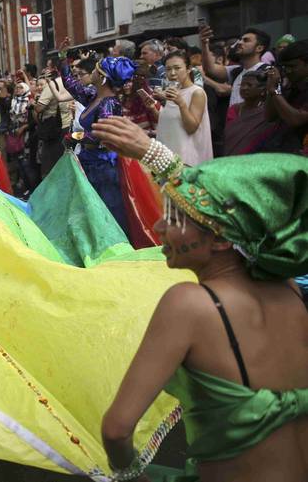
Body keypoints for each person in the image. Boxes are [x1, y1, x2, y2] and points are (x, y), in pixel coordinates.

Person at [92, 116, 308, 482]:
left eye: (175, 217)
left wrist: (130, 475)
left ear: (223, 240)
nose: (159, 226)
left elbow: (116, 429)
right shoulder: (289, 290)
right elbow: (229, 202)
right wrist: (154, 154)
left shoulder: (190, 304)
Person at [58, 37, 135, 236]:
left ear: (101, 77)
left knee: (107, 208)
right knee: (90, 209)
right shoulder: (94, 96)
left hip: (103, 166)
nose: (90, 72)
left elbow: (103, 135)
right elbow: (70, 84)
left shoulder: (108, 103)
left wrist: (75, 136)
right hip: (89, 161)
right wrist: (63, 57)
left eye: (95, 70)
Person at [154, 50, 213, 166]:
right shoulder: (173, 91)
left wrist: (181, 103)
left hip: (187, 159)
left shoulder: (197, 93)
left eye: (177, 68)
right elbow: (169, 122)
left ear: (188, 69)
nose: (172, 73)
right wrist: (152, 107)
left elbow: (191, 128)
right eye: (168, 69)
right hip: (168, 156)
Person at [201, 25, 271, 107]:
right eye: (240, 40)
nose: (240, 43)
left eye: (246, 40)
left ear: (259, 48)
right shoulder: (236, 71)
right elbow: (210, 68)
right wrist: (204, 43)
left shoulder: (267, 72)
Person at [264, 40, 308, 154]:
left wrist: (275, 91)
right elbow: (270, 116)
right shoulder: (290, 88)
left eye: (292, 66)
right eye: (284, 67)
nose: (287, 71)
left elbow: (296, 119)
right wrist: (273, 88)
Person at [223, 70, 276, 156]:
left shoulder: (267, 112)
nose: (244, 88)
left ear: (263, 90)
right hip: (230, 158)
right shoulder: (234, 109)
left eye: (249, 85)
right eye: (242, 85)